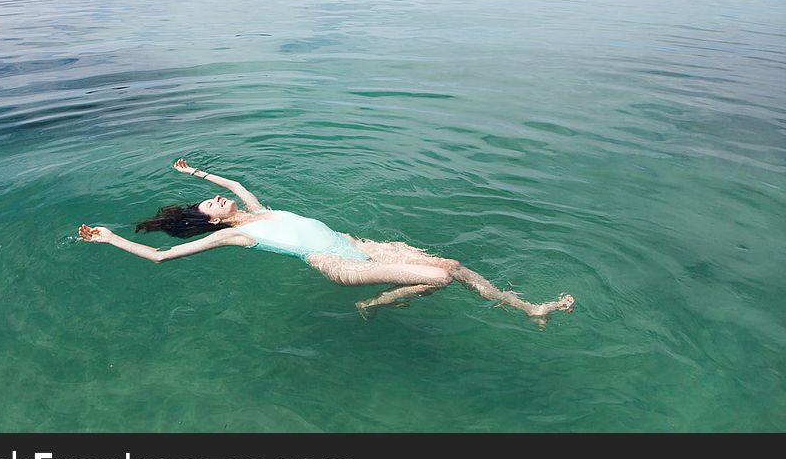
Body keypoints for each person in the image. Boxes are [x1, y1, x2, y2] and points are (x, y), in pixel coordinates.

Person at [78, 159, 575, 325]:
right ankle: (376, 299)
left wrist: (196, 171)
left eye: (210, 198)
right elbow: (162, 256)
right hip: (340, 264)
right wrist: (109, 238)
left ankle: (528, 308)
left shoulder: (258, 210)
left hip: (358, 243)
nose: (214, 199)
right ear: (212, 224)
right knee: (440, 277)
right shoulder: (240, 237)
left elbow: (233, 185)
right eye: (207, 206)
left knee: (455, 264)